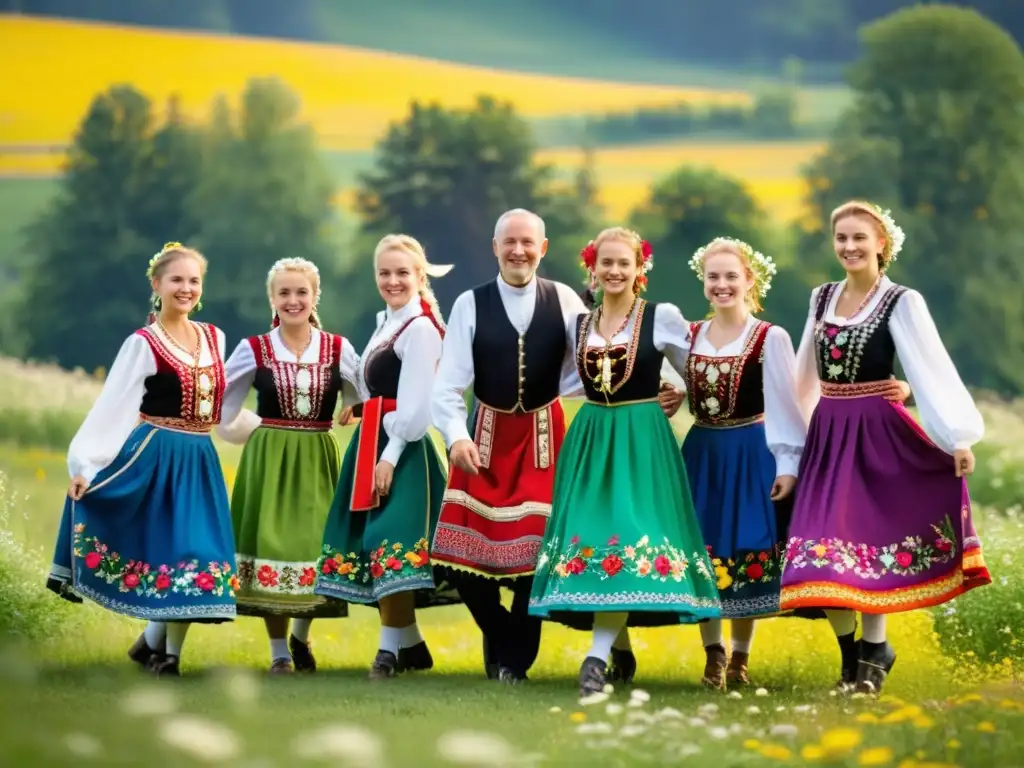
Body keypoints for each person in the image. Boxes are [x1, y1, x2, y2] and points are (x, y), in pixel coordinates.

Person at [430, 210, 683, 685]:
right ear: (495, 247)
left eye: (528, 242)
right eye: (510, 242)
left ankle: (513, 663)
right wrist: (455, 435)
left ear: (542, 249)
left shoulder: (565, 300)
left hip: (546, 437)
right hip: (483, 436)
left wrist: (665, 385)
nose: (519, 250)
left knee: (535, 558)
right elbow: (447, 384)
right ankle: (504, 638)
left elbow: (601, 356)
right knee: (458, 560)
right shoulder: (470, 302)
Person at [679, 237, 911, 690]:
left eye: (731, 276)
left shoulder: (770, 337)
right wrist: (668, 394)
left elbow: (787, 402)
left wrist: (789, 464)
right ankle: (713, 652)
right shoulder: (686, 334)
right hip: (703, 451)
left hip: (752, 450)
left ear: (750, 280)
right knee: (701, 549)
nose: (722, 285)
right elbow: (666, 373)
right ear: (703, 282)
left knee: (747, 549)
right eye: (713, 277)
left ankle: (741, 657)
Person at [779, 201, 991, 695]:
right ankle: (855, 654)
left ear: (881, 245)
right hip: (829, 433)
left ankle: (872, 657)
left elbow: (929, 366)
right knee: (819, 552)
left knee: (868, 545)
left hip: (876, 433)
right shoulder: (821, 297)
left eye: (859, 238)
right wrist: (791, 443)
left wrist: (956, 436)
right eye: (841, 238)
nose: (849, 247)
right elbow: (804, 376)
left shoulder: (901, 300)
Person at [528, 226, 721, 698]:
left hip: (641, 440)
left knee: (634, 535)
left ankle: (598, 659)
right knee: (596, 538)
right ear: (591, 270)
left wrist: (681, 391)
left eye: (624, 263)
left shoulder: (662, 317)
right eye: (606, 263)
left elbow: (695, 367)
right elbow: (567, 382)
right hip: (593, 438)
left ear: (640, 270)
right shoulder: (579, 323)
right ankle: (617, 651)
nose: (614, 271)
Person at [45, 242, 237, 677]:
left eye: (193, 281)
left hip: (200, 458)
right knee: (173, 551)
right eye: (177, 280)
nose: (186, 289)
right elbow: (114, 405)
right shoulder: (144, 343)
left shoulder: (215, 337)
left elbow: (219, 405)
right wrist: (84, 465)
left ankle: (158, 645)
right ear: (157, 284)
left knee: (196, 555)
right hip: (155, 455)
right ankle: (164, 653)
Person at [313, 234, 452, 680]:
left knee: (393, 543)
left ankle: (388, 652)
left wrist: (388, 458)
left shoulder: (422, 329)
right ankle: (410, 646)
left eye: (402, 273)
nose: (392, 281)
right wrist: (362, 405)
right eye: (385, 273)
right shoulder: (387, 323)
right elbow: (384, 389)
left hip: (403, 452)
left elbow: (415, 408)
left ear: (419, 276)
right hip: (372, 442)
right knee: (374, 545)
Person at [218, 257, 359, 674]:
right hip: (270, 458)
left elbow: (362, 393)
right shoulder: (254, 348)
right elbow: (222, 408)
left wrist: (353, 407)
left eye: (301, 292)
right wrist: (255, 430)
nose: (293, 300)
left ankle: (300, 635)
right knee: (273, 548)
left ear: (315, 296)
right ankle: (279, 649)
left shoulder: (338, 347)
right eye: (284, 293)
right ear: (272, 298)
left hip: (317, 454)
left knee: (313, 547)